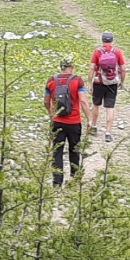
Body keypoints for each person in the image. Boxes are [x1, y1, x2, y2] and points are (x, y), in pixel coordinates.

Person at [44, 59, 87, 187]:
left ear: (61, 67)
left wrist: (51, 114)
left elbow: (46, 101)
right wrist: (90, 119)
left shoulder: (51, 80)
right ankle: (75, 178)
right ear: (72, 67)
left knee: (57, 151)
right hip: (74, 122)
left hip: (57, 121)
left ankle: (57, 182)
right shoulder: (77, 80)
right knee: (74, 149)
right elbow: (83, 101)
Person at [87, 31, 127, 138]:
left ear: (102, 40)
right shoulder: (117, 52)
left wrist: (90, 84)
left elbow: (91, 68)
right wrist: (122, 82)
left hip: (99, 82)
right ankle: (108, 133)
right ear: (112, 40)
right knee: (110, 107)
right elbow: (123, 69)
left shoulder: (97, 52)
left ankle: (94, 127)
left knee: (96, 104)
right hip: (112, 82)